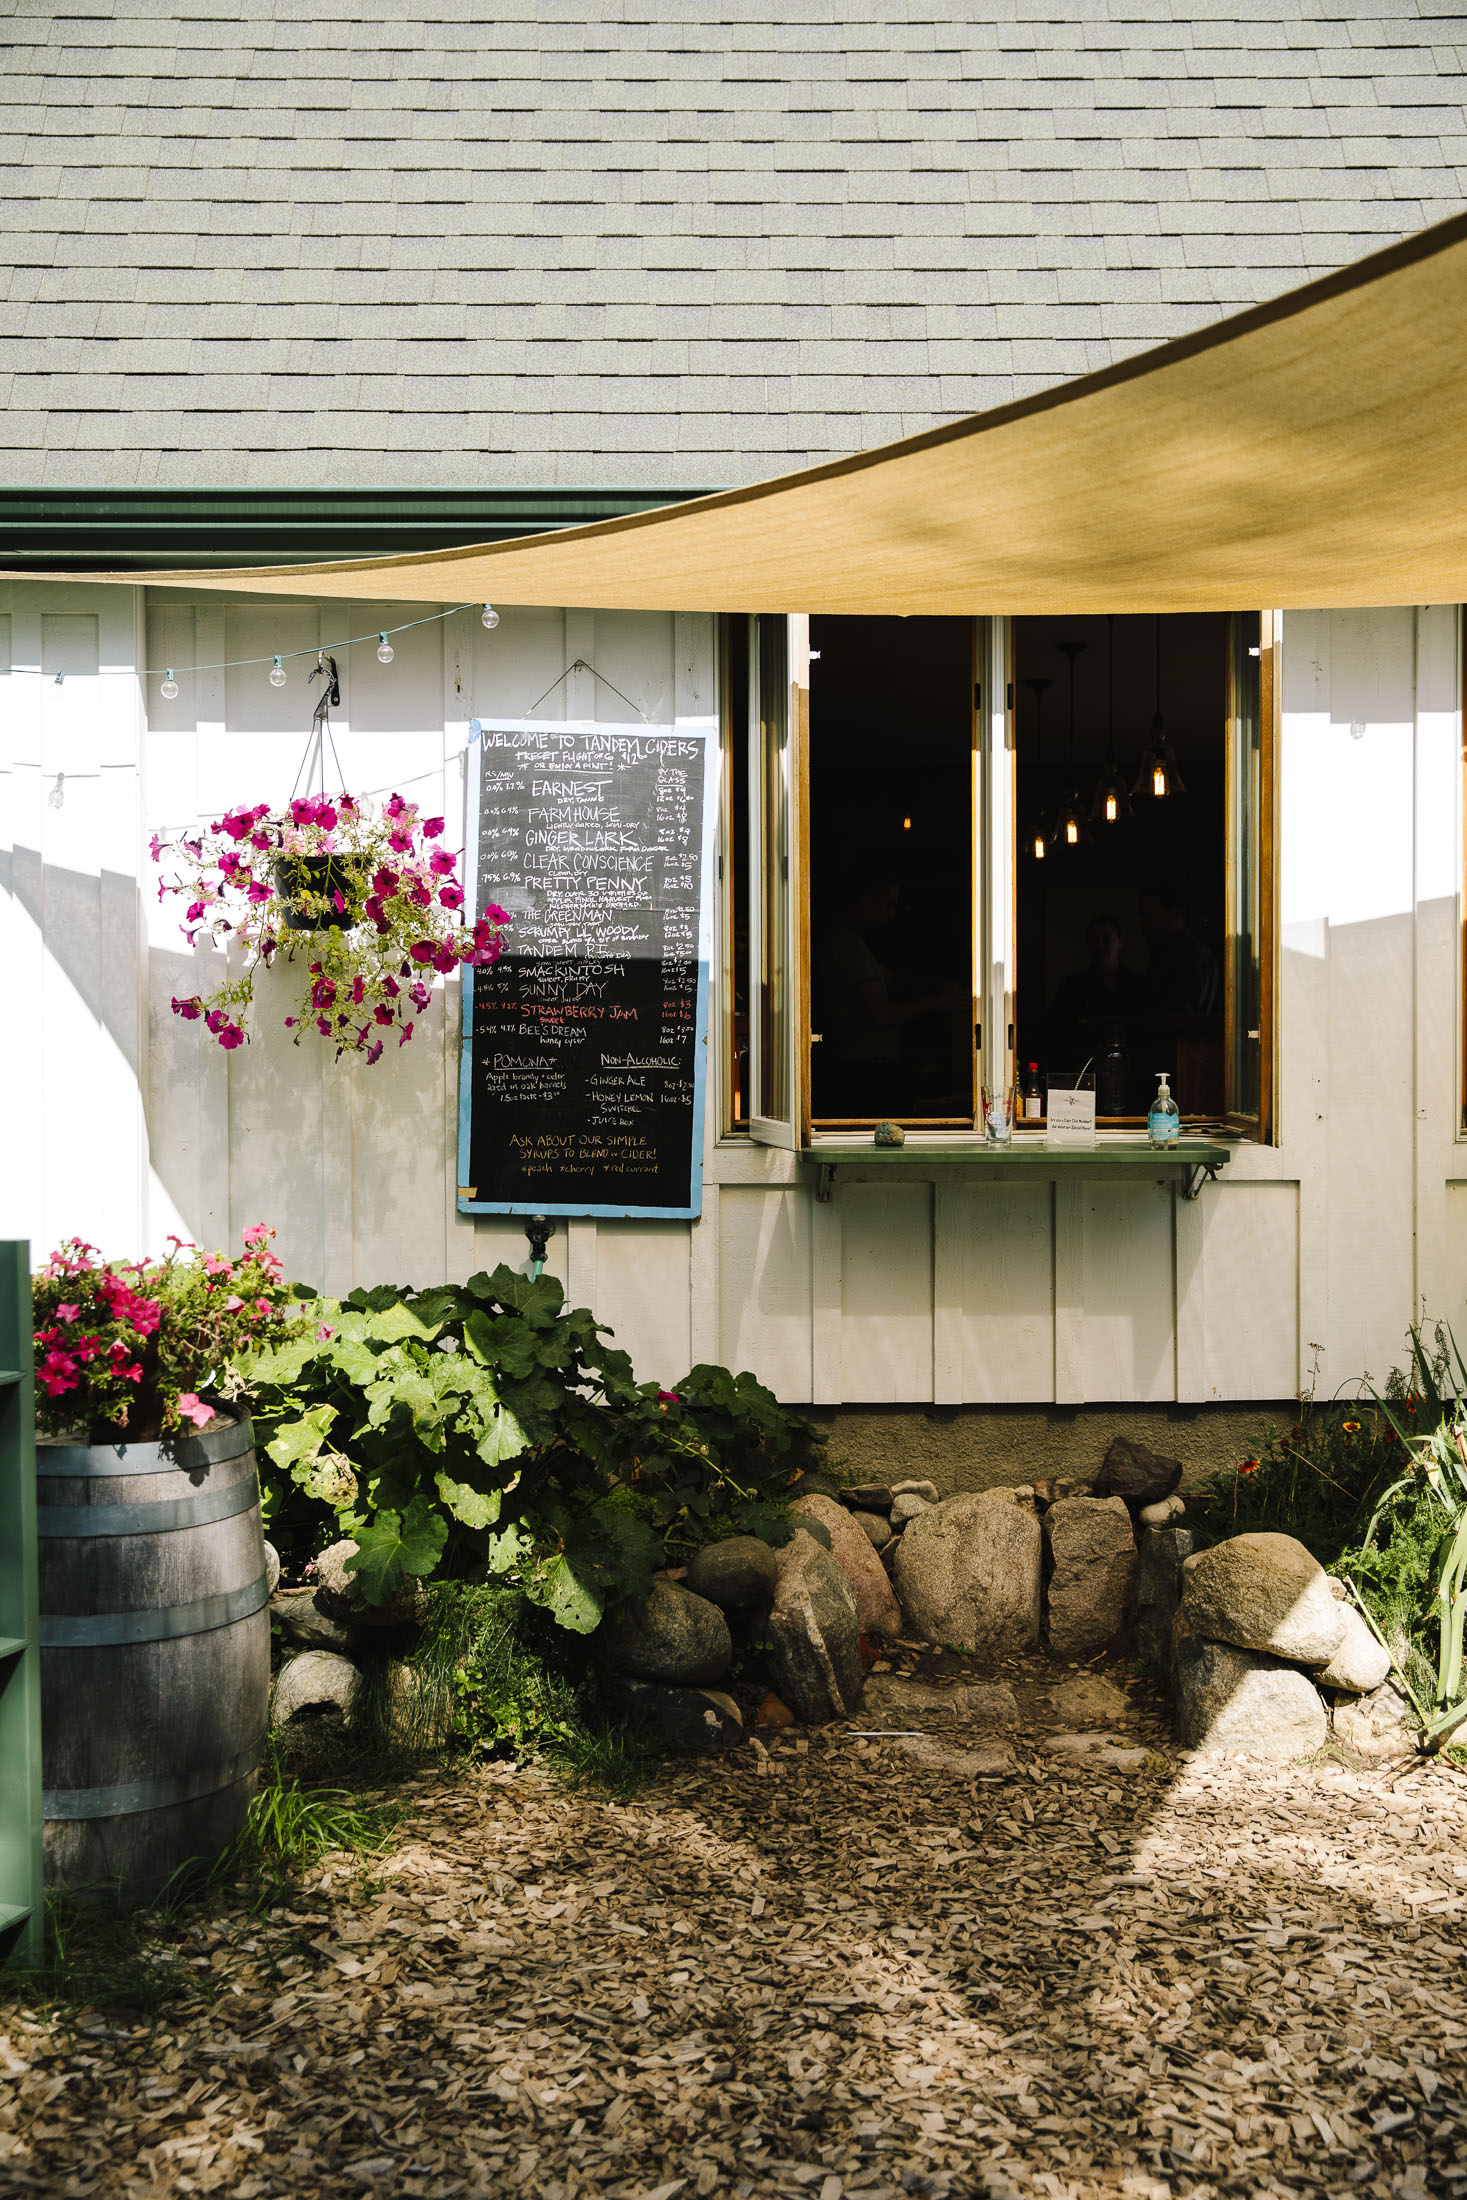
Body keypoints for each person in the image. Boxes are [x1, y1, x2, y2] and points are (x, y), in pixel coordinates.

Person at [817, 864, 967, 1115]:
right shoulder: (845, 943)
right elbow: (879, 1014)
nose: (891, 914)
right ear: (865, 902)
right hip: (865, 1069)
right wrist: (940, 1001)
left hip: (864, 1065)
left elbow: (893, 980)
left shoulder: (850, 941)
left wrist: (933, 984)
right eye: (888, 905)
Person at [1044, 911, 1148, 1072]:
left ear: (1120, 941)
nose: (1100, 945)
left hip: (1132, 1067)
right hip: (1088, 1068)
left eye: (1106, 939)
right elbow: (1057, 1029)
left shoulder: (1137, 984)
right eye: (1094, 940)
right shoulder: (1073, 985)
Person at [1138, 879, 1220, 1016]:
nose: (1143, 924)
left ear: (1174, 915)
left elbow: (1179, 1018)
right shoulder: (1175, 956)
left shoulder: (1189, 958)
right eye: (1142, 916)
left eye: (1150, 915)